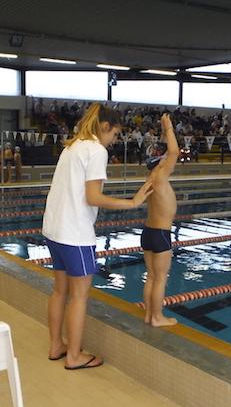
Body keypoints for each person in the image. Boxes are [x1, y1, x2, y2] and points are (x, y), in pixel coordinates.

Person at [42, 104, 153, 370]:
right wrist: (132, 202)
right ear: (105, 127)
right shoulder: (96, 150)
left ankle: (57, 345)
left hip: (53, 229)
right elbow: (93, 197)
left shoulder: (71, 147)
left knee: (59, 291)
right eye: (114, 134)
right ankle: (74, 356)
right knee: (79, 297)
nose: (113, 141)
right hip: (75, 234)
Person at [141, 114, 180, 327]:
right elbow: (174, 151)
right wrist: (169, 128)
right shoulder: (161, 176)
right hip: (161, 235)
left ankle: (149, 315)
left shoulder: (150, 179)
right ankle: (157, 317)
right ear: (161, 163)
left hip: (148, 232)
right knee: (161, 278)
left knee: (151, 276)